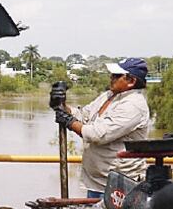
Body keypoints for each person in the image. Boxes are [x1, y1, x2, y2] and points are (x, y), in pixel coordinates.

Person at [54, 57, 151, 198]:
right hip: (97, 182)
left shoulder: (133, 105)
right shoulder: (109, 96)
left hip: (120, 185)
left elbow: (97, 135)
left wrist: (68, 121)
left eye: (117, 76)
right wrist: (62, 106)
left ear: (131, 81)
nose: (112, 78)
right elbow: (83, 115)